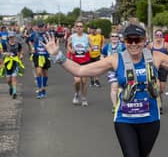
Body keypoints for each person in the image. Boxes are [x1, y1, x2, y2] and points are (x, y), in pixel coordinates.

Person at [43, 23, 168, 157]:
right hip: (125, 120)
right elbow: (80, 70)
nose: (133, 44)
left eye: (137, 40)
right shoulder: (115, 59)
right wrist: (58, 55)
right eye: (129, 40)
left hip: (150, 120)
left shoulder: (156, 57)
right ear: (124, 41)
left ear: (144, 41)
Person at [67, 21, 91, 106]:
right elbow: (68, 46)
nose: (79, 28)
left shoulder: (87, 37)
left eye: (81, 26)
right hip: (75, 61)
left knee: (84, 81)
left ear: (83, 28)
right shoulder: (72, 37)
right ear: (75, 28)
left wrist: (89, 49)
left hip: (85, 61)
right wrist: (71, 51)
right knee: (77, 81)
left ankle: (84, 98)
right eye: (77, 26)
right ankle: (77, 94)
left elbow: (91, 47)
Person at [101, 32, 125, 113]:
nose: (114, 37)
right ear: (110, 37)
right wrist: (103, 62)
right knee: (114, 87)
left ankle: (122, 104)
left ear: (118, 37)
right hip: (112, 71)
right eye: (112, 36)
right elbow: (102, 55)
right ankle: (115, 106)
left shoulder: (123, 46)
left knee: (123, 88)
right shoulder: (107, 47)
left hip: (122, 70)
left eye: (116, 36)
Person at [148, 29, 168, 114]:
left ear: (162, 36)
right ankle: (158, 106)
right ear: (154, 36)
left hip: (163, 69)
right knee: (157, 86)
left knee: (162, 89)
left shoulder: (166, 45)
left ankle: (160, 101)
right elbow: (147, 56)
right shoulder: (151, 45)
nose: (158, 37)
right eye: (157, 35)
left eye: (160, 35)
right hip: (154, 68)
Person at [29, 22, 51, 99]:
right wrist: (32, 47)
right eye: (39, 26)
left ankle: (44, 88)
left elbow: (52, 43)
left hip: (46, 55)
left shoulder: (48, 34)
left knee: (45, 74)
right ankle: (39, 90)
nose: (41, 28)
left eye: (42, 26)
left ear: (44, 27)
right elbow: (29, 41)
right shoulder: (34, 34)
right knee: (38, 72)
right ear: (37, 27)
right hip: (37, 55)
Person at [2, 31, 24, 99]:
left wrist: (21, 55)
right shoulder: (5, 44)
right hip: (8, 62)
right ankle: (11, 87)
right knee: (8, 80)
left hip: (15, 61)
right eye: (10, 37)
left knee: (14, 78)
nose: (11, 38)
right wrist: (6, 54)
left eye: (12, 37)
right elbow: (2, 52)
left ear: (14, 37)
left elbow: (20, 50)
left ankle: (14, 93)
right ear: (8, 37)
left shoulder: (18, 44)